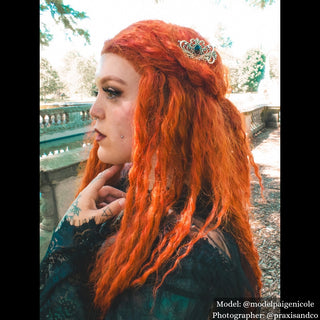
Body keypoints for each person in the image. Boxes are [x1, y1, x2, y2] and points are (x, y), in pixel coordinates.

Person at [40, 19, 263, 320]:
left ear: (165, 109)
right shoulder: (131, 191)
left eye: (112, 91)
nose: (94, 110)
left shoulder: (182, 260)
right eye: (98, 91)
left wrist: (67, 237)